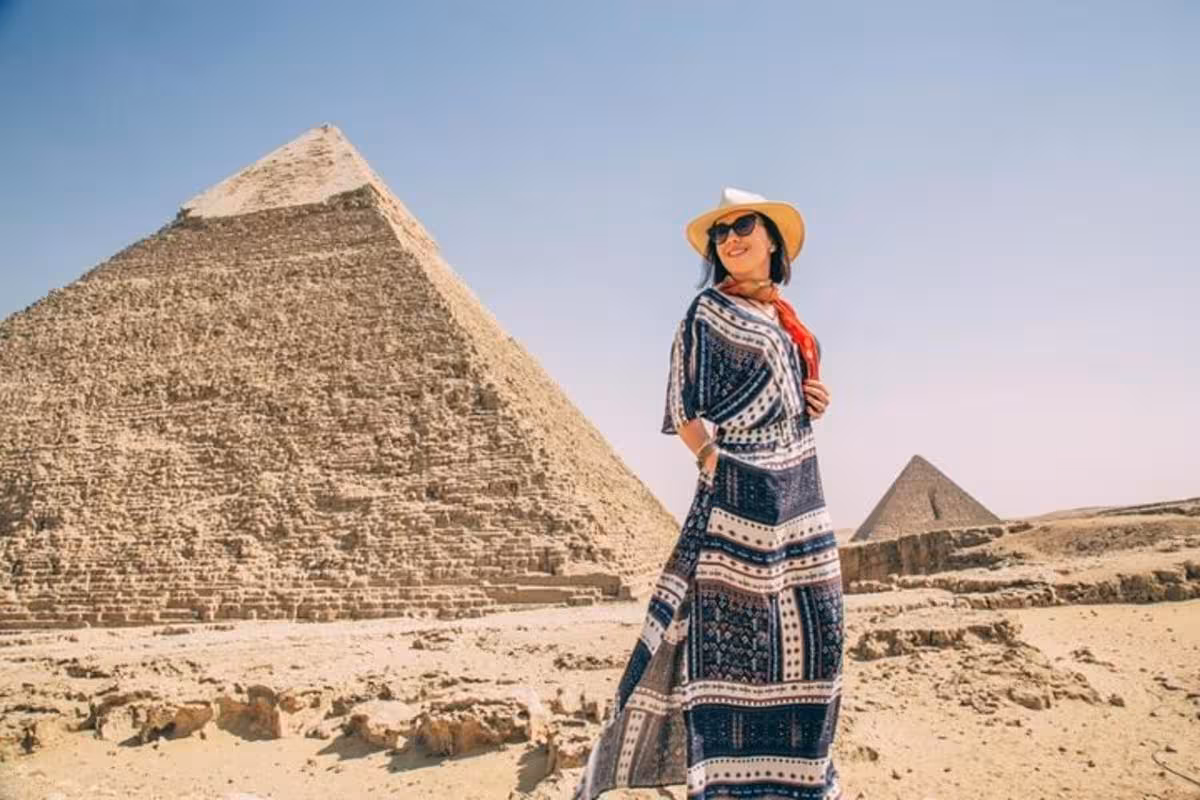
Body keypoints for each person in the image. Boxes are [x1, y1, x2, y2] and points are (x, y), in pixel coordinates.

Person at [572, 187, 844, 800]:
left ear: (772, 237)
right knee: (731, 655)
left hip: (800, 498)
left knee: (820, 643)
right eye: (720, 233)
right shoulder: (706, 313)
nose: (730, 239)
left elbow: (795, 395)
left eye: (743, 225)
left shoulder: (793, 326)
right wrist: (712, 456)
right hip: (738, 500)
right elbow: (683, 406)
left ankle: (801, 783)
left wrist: (816, 399)